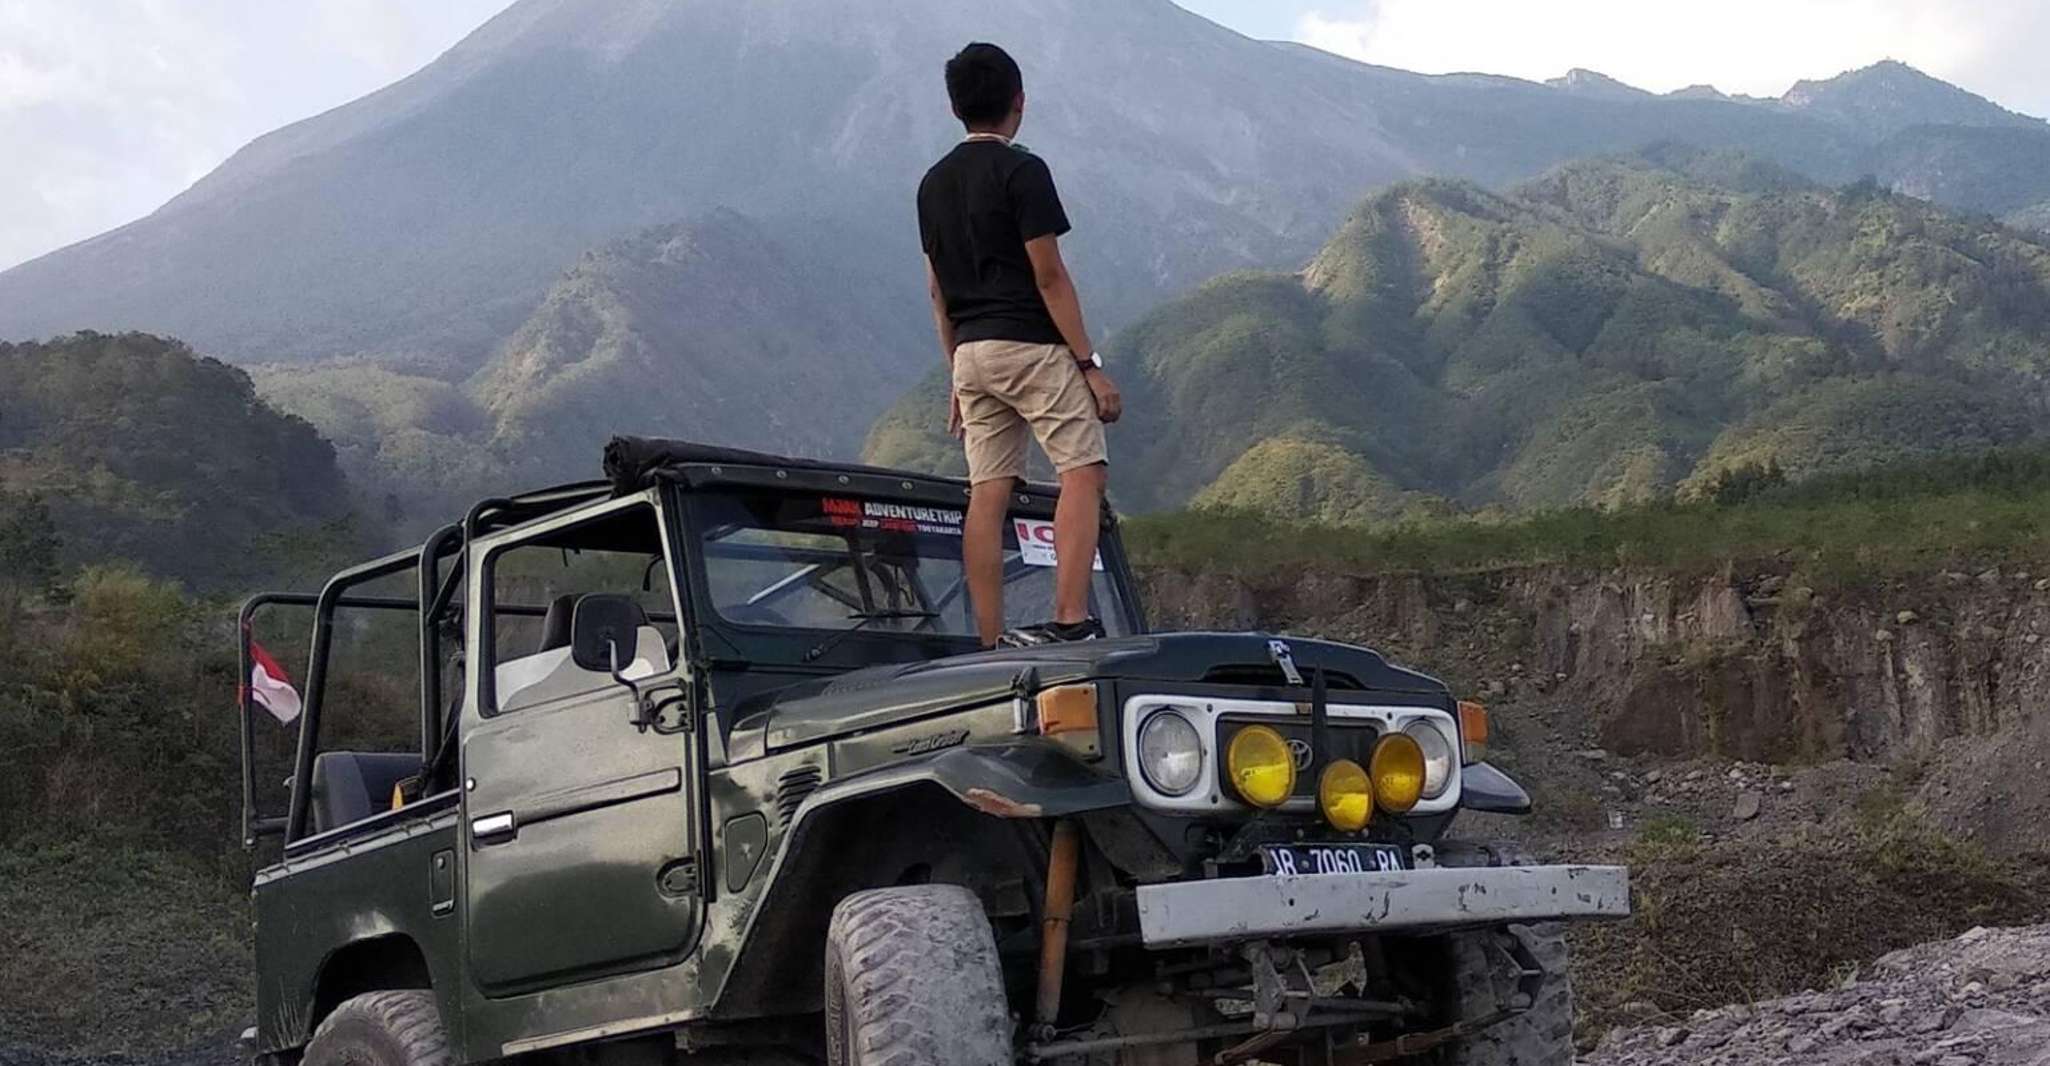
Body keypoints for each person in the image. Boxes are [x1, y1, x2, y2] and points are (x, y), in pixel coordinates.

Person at [917, 42, 1123, 649]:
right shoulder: (1022, 171)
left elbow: (937, 291)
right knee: (1083, 471)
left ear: (956, 107)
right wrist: (1088, 365)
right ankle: (1069, 615)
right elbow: (1049, 276)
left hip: (972, 355)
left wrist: (956, 370)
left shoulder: (932, 184)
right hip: (1030, 345)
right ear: (1018, 102)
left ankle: (987, 640)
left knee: (989, 491)